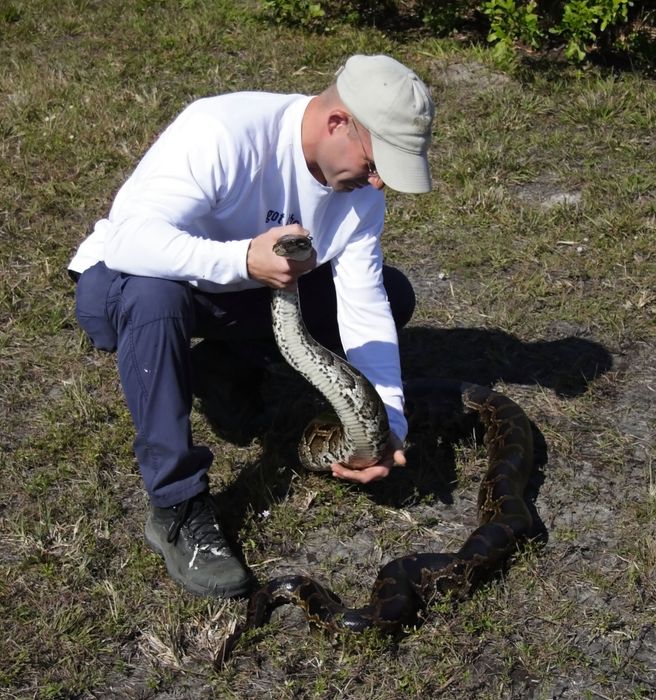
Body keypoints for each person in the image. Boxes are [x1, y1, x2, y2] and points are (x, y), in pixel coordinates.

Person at [68, 55, 435, 598]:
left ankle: (220, 366)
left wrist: (388, 427)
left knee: (394, 290)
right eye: (377, 161)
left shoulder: (361, 196)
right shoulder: (224, 132)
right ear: (338, 124)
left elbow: (363, 305)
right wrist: (243, 261)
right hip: (133, 282)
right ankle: (176, 506)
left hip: (252, 295)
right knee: (153, 296)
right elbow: (129, 240)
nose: (379, 181)